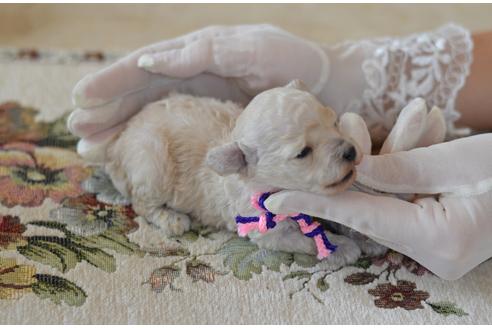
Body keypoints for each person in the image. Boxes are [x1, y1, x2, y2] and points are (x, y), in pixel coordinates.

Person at [67, 23, 492, 280]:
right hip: (152, 140)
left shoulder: (283, 148)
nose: (343, 148)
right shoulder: (248, 192)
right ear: (241, 163)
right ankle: (150, 205)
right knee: (149, 168)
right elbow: (268, 232)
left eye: (328, 120)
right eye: (303, 152)